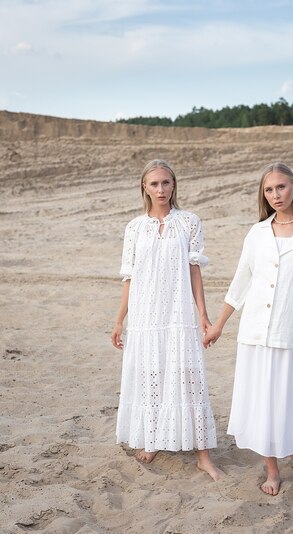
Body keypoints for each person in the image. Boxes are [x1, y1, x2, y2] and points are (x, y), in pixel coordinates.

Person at [203, 162, 293, 495]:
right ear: (263, 194)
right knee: (264, 400)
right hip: (256, 331)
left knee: (289, 398)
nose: (275, 195)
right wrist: (219, 324)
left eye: (280, 187)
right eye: (269, 190)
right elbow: (241, 282)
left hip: (291, 329)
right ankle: (271, 469)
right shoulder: (257, 233)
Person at [112, 159, 221, 481]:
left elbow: (194, 270)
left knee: (189, 376)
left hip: (179, 312)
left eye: (166, 183)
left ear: (174, 185)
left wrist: (203, 314)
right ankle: (154, 440)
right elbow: (129, 277)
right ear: (144, 188)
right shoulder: (134, 228)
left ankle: (204, 456)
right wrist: (120, 321)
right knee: (151, 376)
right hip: (145, 314)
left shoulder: (189, 222)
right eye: (154, 184)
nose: (161, 189)